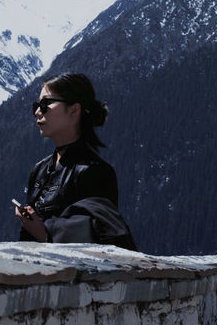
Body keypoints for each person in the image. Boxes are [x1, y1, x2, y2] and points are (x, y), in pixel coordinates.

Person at [14, 73, 136, 249]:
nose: (37, 111)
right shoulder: (39, 169)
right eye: (37, 105)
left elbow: (102, 236)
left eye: (45, 104)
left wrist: (44, 232)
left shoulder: (96, 172)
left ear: (74, 110)